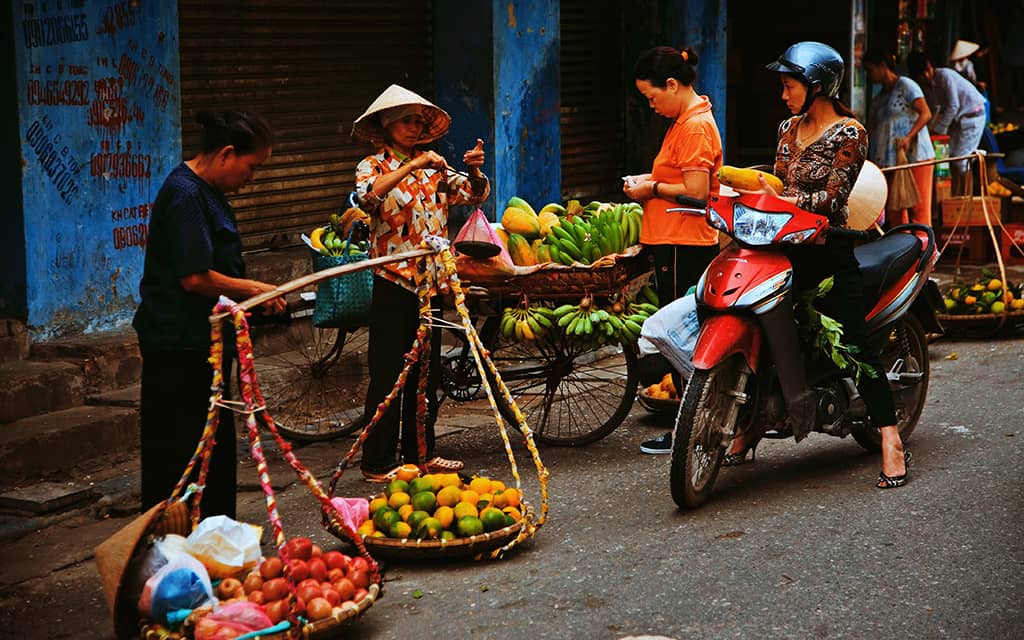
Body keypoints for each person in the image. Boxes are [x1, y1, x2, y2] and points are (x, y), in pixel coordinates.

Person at [730, 42, 910, 488]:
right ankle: (752, 423)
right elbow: (777, 182)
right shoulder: (786, 128)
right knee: (764, 332)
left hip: (829, 253)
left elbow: (831, 199)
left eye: (789, 86)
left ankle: (890, 438)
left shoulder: (850, 134)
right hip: (781, 249)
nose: (783, 95)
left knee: (854, 344)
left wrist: (781, 199)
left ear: (817, 87)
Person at [133, 110, 286, 518]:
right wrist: (253, 289)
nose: (251, 177)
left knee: (211, 445)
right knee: (181, 449)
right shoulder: (185, 195)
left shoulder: (209, 192)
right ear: (226, 154)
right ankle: (175, 534)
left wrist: (250, 298)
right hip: (179, 342)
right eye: (251, 167)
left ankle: (211, 531)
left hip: (207, 339)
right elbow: (194, 277)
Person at [352, 84, 489, 482]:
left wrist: (474, 169)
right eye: (406, 121)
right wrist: (411, 167)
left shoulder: (435, 167)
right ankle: (377, 462)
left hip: (431, 284)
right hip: (393, 281)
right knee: (388, 373)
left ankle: (421, 454)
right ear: (387, 125)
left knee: (424, 374)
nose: (414, 128)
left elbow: (472, 195)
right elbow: (367, 199)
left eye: (418, 122)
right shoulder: (372, 166)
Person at [622, 45, 723, 455]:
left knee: (683, 336)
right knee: (684, 331)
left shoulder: (694, 126)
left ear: (671, 84)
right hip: (675, 239)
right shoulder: (684, 120)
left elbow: (696, 191)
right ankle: (693, 425)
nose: (651, 106)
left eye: (652, 97)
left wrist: (651, 188)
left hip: (685, 241)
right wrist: (650, 181)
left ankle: (688, 428)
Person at [861, 47, 935, 227]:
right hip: (888, 161)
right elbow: (871, 128)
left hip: (915, 156)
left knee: (918, 208)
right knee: (895, 210)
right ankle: (903, 243)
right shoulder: (878, 98)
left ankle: (923, 243)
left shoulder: (906, 85)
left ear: (882, 65)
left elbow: (925, 113)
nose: (869, 76)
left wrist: (908, 137)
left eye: (870, 70)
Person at [907, 50, 987, 197]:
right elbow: (935, 109)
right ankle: (955, 197)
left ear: (930, 67)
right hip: (958, 120)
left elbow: (953, 106)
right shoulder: (929, 86)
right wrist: (929, 129)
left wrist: (938, 130)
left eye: (927, 71)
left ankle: (965, 198)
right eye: (922, 75)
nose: (926, 76)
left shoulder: (945, 76)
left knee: (962, 160)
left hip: (973, 116)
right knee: (952, 158)